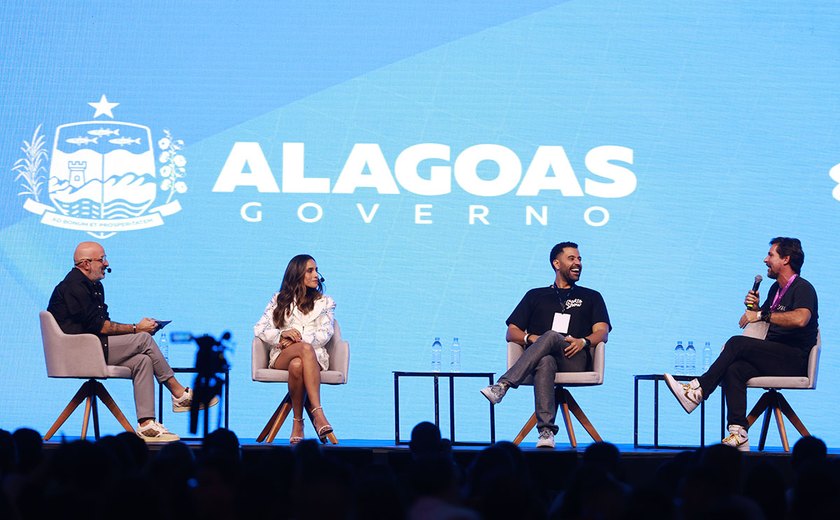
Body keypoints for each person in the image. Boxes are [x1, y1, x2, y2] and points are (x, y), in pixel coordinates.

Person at [47, 241, 217, 442]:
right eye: (102, 259)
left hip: (94, 348)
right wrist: (137, 329)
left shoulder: (95, 286)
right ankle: (179, 394)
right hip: (78, 352)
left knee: (142, 361)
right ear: (85, 263)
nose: (106, 263)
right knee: (143, 339)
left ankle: (147, 425)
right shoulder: (73, 286)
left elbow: (103, 324)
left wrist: (137, 331)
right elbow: (100, 326)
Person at [664, 237, 818, 452]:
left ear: (786, 259)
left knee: (736, 344)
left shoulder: (803, 288)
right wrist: (756, 308)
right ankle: (739, 433)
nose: (765, 260)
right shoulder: (775, 290)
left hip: (794, 359)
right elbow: (765, 319)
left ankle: (698, 390)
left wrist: (761, 314)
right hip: (773, 355)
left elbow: (801, 319)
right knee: (734, 370)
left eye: (771, 255)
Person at [480, 242, 611, 449]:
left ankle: (503, 386)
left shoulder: (591, 296)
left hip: (574, 357)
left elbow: (602, 332)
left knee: (550, 336)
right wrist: (530, 338)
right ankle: (545, 432)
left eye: (579, 259)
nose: (578, 263)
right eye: (572, 259)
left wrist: (583, 341)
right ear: (556, 263)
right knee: (545, 360)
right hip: (541, 361)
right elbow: (511, 331)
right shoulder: (535, 295)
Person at [254, 254, 335, 444]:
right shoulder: (278, 300)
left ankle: (298, 423)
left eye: (316, 270)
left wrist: (297, 339)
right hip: (282, 355)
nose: (316, 275)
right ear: (297, 274)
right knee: (302, 351)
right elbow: (259, 328)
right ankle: (318, 413)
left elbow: (326, 333)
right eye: (310, 270)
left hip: (314, 358)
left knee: (299, 363)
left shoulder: (325, 302)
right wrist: (282, 336)